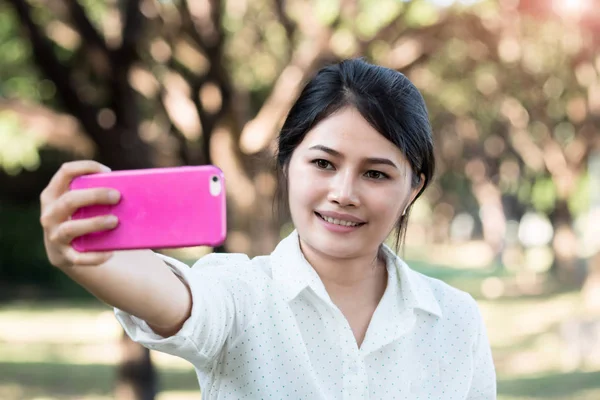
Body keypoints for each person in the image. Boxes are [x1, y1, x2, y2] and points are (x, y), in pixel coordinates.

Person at [40, 58, 496, 399]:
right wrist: (86, 256)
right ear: (287, 164)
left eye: (375, 174)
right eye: (323, 163)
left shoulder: (456, 320)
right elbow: (180, 301)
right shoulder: (240, 294)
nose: (344, 192)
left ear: (412, 189)